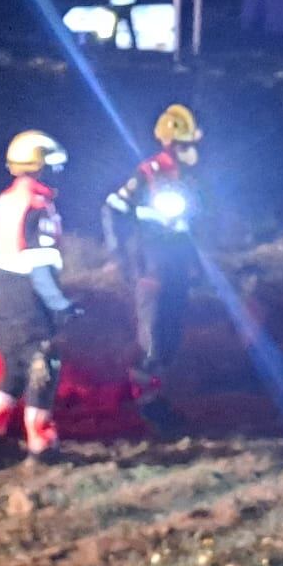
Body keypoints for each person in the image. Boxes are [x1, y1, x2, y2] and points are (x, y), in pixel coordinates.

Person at [0, 130, 77, 467]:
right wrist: (61, 307)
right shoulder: (38, 208)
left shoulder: (3, 201)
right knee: (42, 371)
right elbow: (40, 266)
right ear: (40, 168)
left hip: (5, 303)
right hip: (32, 307)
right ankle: (42, 447)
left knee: (14, 371)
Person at [103, 103, 203, 437]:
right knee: (153, 338)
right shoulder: (147, 173)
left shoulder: (188, 178)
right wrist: (120, 253)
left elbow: (190, 226)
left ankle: (145, 391)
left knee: (171, 335)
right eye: (186, 144)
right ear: (170, 143)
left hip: (175, 269)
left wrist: (195, 265)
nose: (192, 151)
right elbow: (113, 208)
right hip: (151, 268)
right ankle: (146, 403)